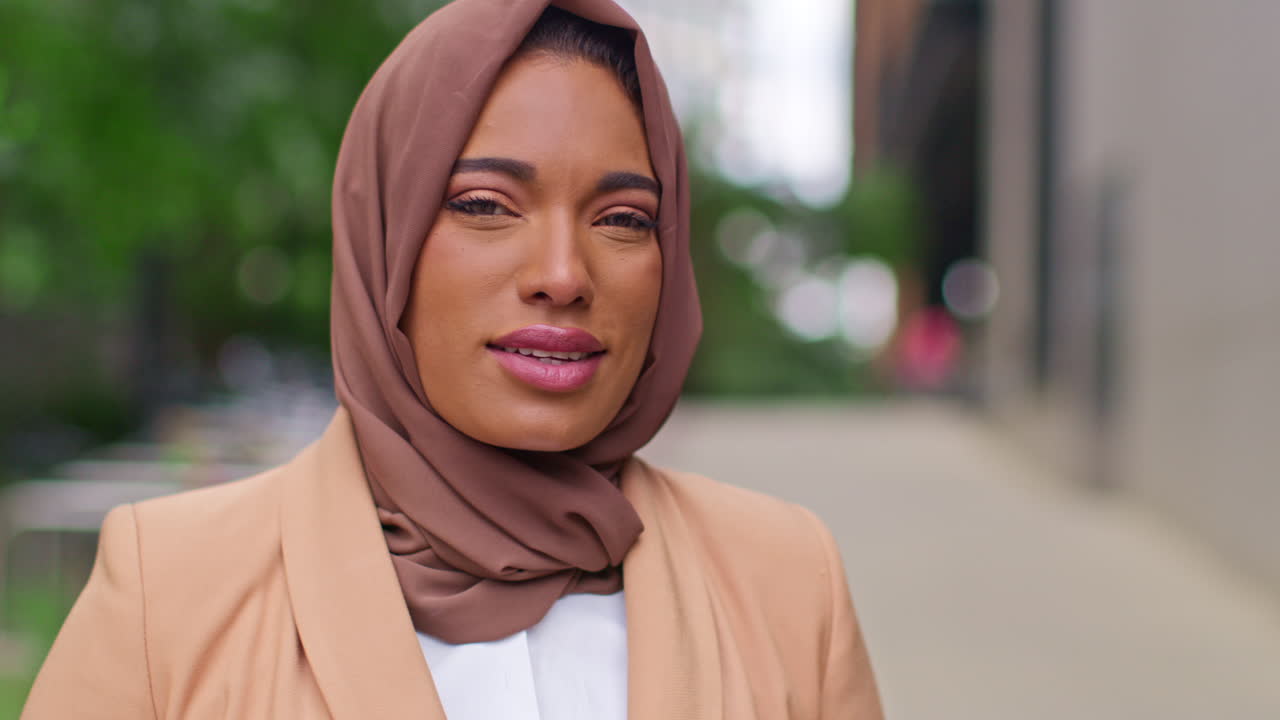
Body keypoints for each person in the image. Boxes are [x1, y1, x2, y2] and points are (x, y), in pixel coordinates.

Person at [22, 1, 883, 717]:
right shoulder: (171, 590)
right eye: (485, 204)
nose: (562, 275)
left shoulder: (784, 581)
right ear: (384, 242)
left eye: (623, 218)